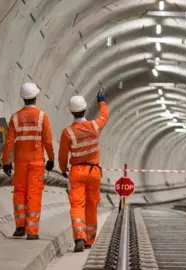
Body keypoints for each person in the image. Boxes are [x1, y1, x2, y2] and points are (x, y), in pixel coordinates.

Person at [2, 82, 55, 240]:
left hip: (20, 162)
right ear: (35, 97)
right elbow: (48, 141)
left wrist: (6, 161)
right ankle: (32, 231)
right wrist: (51, 159)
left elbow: (9, 142)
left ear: (23, 98)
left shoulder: (15, 117)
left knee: (19, 192)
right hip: (37, 162)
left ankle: (19, 227)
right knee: (33, 194)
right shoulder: (42, 117)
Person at [58, 92, 109, 252]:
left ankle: (79, 236)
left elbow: (63, 154)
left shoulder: (68, 133)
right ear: (85, 109)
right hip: (93, 172)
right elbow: (104, 117)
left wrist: (62, 169)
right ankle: (90, 239)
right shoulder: (94, 126)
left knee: (77, 205)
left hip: (77, 172)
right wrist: (102, 102)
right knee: (91, 204)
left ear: (71, 112)